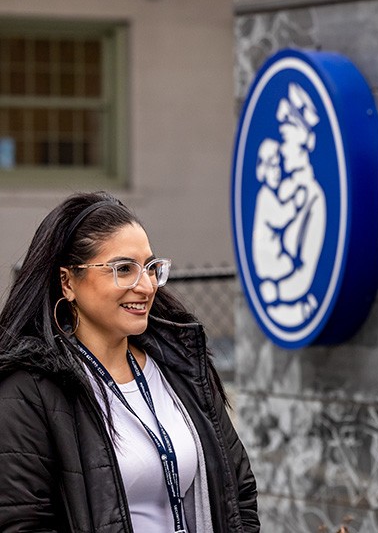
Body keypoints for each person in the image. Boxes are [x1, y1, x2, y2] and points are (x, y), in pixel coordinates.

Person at [0, 192, 259, 531]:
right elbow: (21, 522)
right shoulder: (29, 392)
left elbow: (237, 491)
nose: (147, 285)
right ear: (68, 282)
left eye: (151, 268)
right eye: (123, 269)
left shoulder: (180, 367)